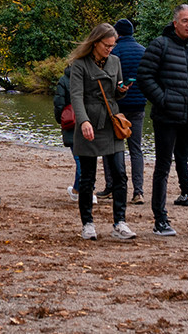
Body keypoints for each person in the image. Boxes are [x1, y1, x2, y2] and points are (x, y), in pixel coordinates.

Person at [137, 4, 188, 237]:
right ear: (175, 23)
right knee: (163, 167)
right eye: (185, 20)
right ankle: (160, 220)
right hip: (167, 117)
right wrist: (164, 99)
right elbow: (144, 77)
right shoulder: (159, 45)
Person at [61, 21, 135, 241]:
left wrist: (122, 90)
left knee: (120, 174)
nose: (110, 49)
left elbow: (114, 94)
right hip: (89, 123)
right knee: (87, 177)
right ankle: (88, 224)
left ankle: (120, 222)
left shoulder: (115, 61)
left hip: (111, 122)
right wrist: (83, 121)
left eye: (113, 45)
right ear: (95, 42)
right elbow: (76, 96)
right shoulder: (80, 64)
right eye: (106, 45)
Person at [109, 18, 150, 198]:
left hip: (118, 106)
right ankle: (138, 191)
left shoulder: (114, 52)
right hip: (138, 105)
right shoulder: (143, 51)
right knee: (136, 149)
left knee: (113, 147)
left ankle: (113, 187)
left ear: (117, 34)